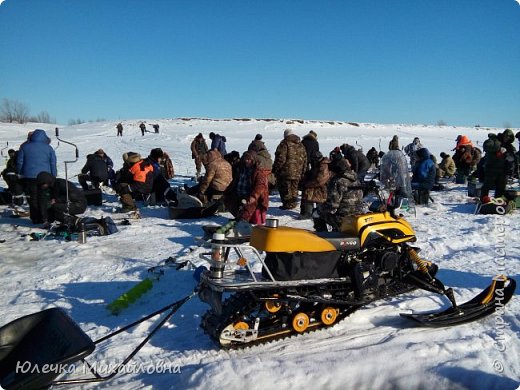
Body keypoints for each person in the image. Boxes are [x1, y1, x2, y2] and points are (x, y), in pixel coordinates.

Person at [16, 129, 57, 224]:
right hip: (45, 176)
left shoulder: (24, 147)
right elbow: (53, 163)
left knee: (33, 198)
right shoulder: (49, 148)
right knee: (44, 197)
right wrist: (53, 176)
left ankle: (35, 218)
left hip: (29, 177)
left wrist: (20, 172)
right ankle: (45, 217)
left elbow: (20, 162)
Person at [313, 157, 365, 232]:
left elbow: (333, 205)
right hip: (358, 216)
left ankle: (324, 238)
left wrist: (320, 208)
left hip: (344, 219)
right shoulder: (356, 179)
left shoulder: (339, 181)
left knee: (316, 213)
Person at [226, 151, 270, 224]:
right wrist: (227, 191)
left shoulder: (258, 172)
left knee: (249, 207)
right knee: (229, 201)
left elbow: (260, 186)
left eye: (249, 159)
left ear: (254, 160)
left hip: (252, 196)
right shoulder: (241, 169)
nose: (247, 161)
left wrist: (253, 196)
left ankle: (243, 220)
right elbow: (235, 181)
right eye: (246, 159)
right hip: (239, 194)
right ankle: (239, 217)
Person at [272, 129, 307, 210]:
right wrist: (303, 171)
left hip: (285, 172)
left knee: (286, 189)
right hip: (298, 172)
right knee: (294, 189)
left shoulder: (284, 144)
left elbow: (280, 159)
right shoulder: (301, 145)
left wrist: (275, 169)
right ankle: (293, 203)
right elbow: (305, 159)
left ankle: (288, 205)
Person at [300, 151, 330, 219]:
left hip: (322, 188)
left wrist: (307, 184)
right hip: (315, 187)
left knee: (310, 192)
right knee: (307, 194)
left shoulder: (324, 166)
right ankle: (308, 212)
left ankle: (318, 213)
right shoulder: (317, 165)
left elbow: (320, 180)